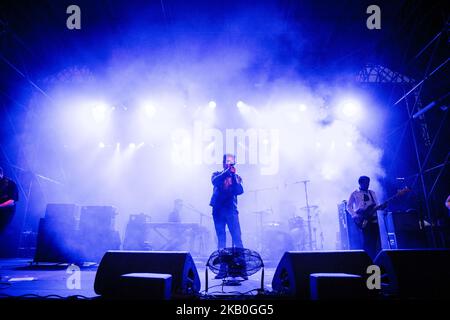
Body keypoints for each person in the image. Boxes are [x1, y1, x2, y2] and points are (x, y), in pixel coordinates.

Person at [347, 176, 384, 260]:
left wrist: (382, 207)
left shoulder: (372, 193)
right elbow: (348, 207)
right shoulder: (355, 193)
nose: (368, 184)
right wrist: (355, 215)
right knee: (367, 241)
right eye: (366, 183)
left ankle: (374, 260)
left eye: (368, 183)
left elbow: (376, 205)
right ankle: (366, 260)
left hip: (374, 219)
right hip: (362, 218)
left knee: (375, 241)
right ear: (360, 183)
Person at [0, 166, 18, 234]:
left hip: (6, 213)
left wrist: (0, 206)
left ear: (1, 174)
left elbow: (11, 201)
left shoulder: (11, 184)